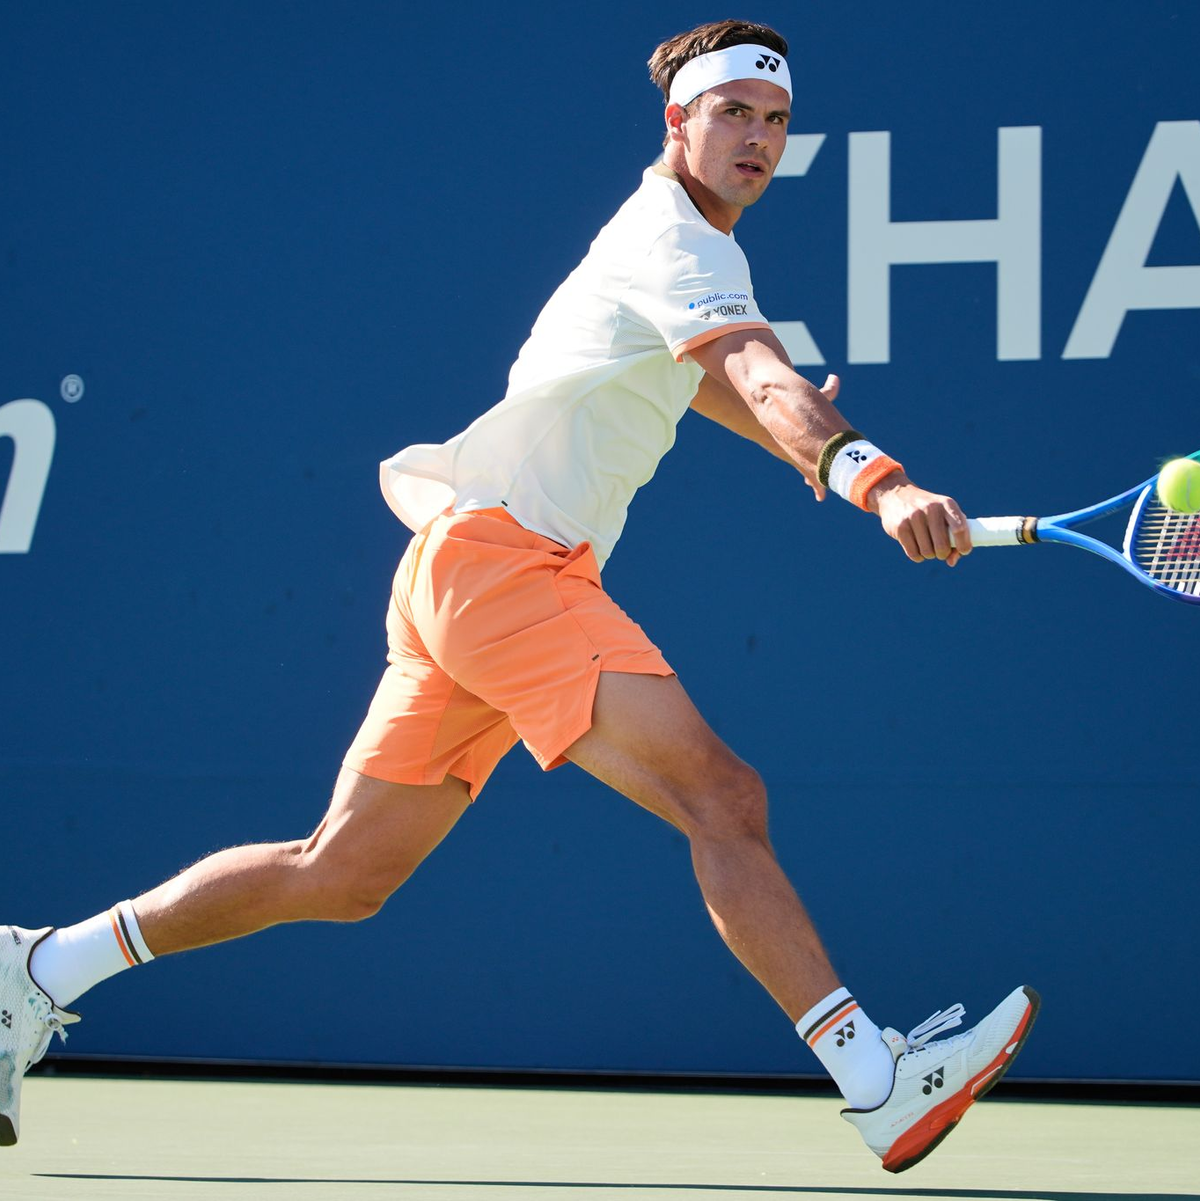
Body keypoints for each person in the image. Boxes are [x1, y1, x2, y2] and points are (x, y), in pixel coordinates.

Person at [0, 18, 1038, 1172]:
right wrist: (874, 478)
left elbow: (712, 388)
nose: (757, 137)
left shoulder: (672, 251)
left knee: (340, 873)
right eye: (733, 111)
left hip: (464, 567)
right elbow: (755, 369)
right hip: (504, 567)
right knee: (722, 797)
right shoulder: (677, 238)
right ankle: (878, 1079)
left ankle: (41, 967)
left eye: (776, 119)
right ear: (677, 122)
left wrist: (811, 451)